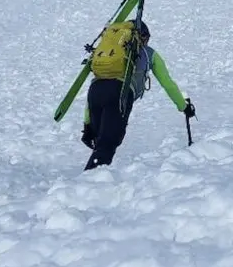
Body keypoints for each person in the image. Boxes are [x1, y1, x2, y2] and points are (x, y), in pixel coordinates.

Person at [81, 20, 195, 170]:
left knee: (100, 143)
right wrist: (184, 106)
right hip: (120, 93)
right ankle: (88, 186)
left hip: (95, 91)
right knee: (106, 146)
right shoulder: (149, 53)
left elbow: (94, 83)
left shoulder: (108, 53)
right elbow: (168, 83)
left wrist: (87, 124)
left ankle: (88, 183)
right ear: (144, 37)